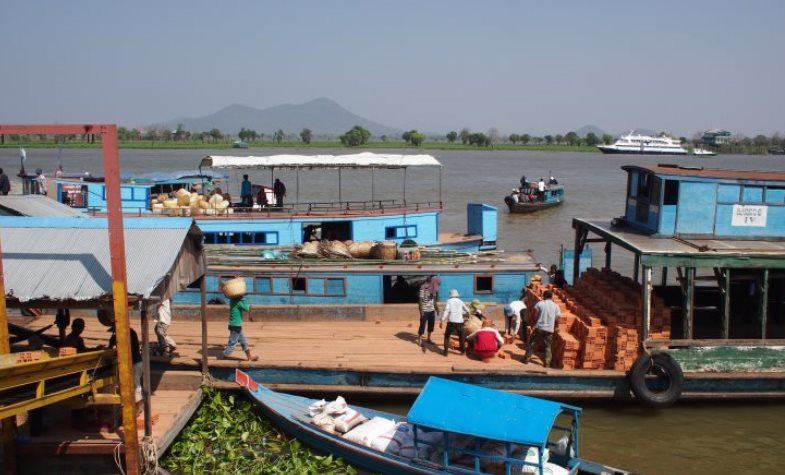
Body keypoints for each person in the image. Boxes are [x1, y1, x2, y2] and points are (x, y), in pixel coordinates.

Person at [99, 309, 144, 410]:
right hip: (132, 363)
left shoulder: (127, 333)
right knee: (128, 385)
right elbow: (112, 345)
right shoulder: (123, 333)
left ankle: (138, 408)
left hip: (135, 363)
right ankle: (133, 406)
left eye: (114, 330)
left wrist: (109, 348)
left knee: (135, 385)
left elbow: (115, 347)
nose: (114, 332)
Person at [523, 290, 561, 367]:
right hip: (549, 329)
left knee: (532, 343)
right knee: (548, 346)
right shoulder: (556, 306)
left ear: (544, 296)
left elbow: (535, 315)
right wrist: (554, 325)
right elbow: (558, 318)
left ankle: (527, 359)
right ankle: (547, 364)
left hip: (539, 327)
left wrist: (532, 325)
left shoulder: (540, 304)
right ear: (551, 297)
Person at [223, 294, 259, 361]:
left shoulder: (232, 300)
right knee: (232, 342)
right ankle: (225, 355)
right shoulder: (239, 302)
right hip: (236, 325)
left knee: (243, 341)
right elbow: (247, 308)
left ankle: (249, 357)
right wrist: (245, 300)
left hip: (234, 325)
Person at [440, 289, 469, 356]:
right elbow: (467, 310)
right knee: (461, 337)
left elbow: (446, 311)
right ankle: (463, 351)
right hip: (460, 322)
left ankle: (445, 352)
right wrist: (462, 313)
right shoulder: (460, 301)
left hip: (451, 321)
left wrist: (442, 320)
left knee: (447, 336)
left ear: (450, 295)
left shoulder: (449, 301)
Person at [417, 276, 440, 346]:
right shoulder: (423, 288)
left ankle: (428, 338)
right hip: (425, 310)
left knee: (431, 324)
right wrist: (421, 311)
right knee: (422, 325)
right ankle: (420, 340)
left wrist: (437, 309)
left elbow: (434, 300)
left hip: (431, 310)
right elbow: (420, 300)